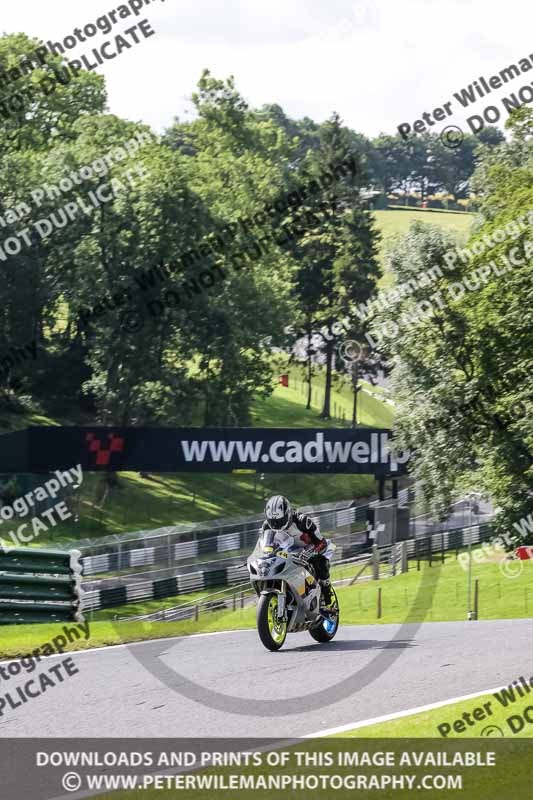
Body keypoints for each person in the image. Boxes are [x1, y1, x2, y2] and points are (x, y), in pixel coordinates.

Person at [262, 495, 333, 607]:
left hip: (308, 549)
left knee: (320, 561)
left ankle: (326, 588)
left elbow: (322, 542)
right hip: (286, 551)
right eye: (273, 521)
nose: (276, 525)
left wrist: (310, 553)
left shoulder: (302, 521)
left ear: (288, 514)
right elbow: (266, 547)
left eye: (280, 520)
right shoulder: (266, 526)